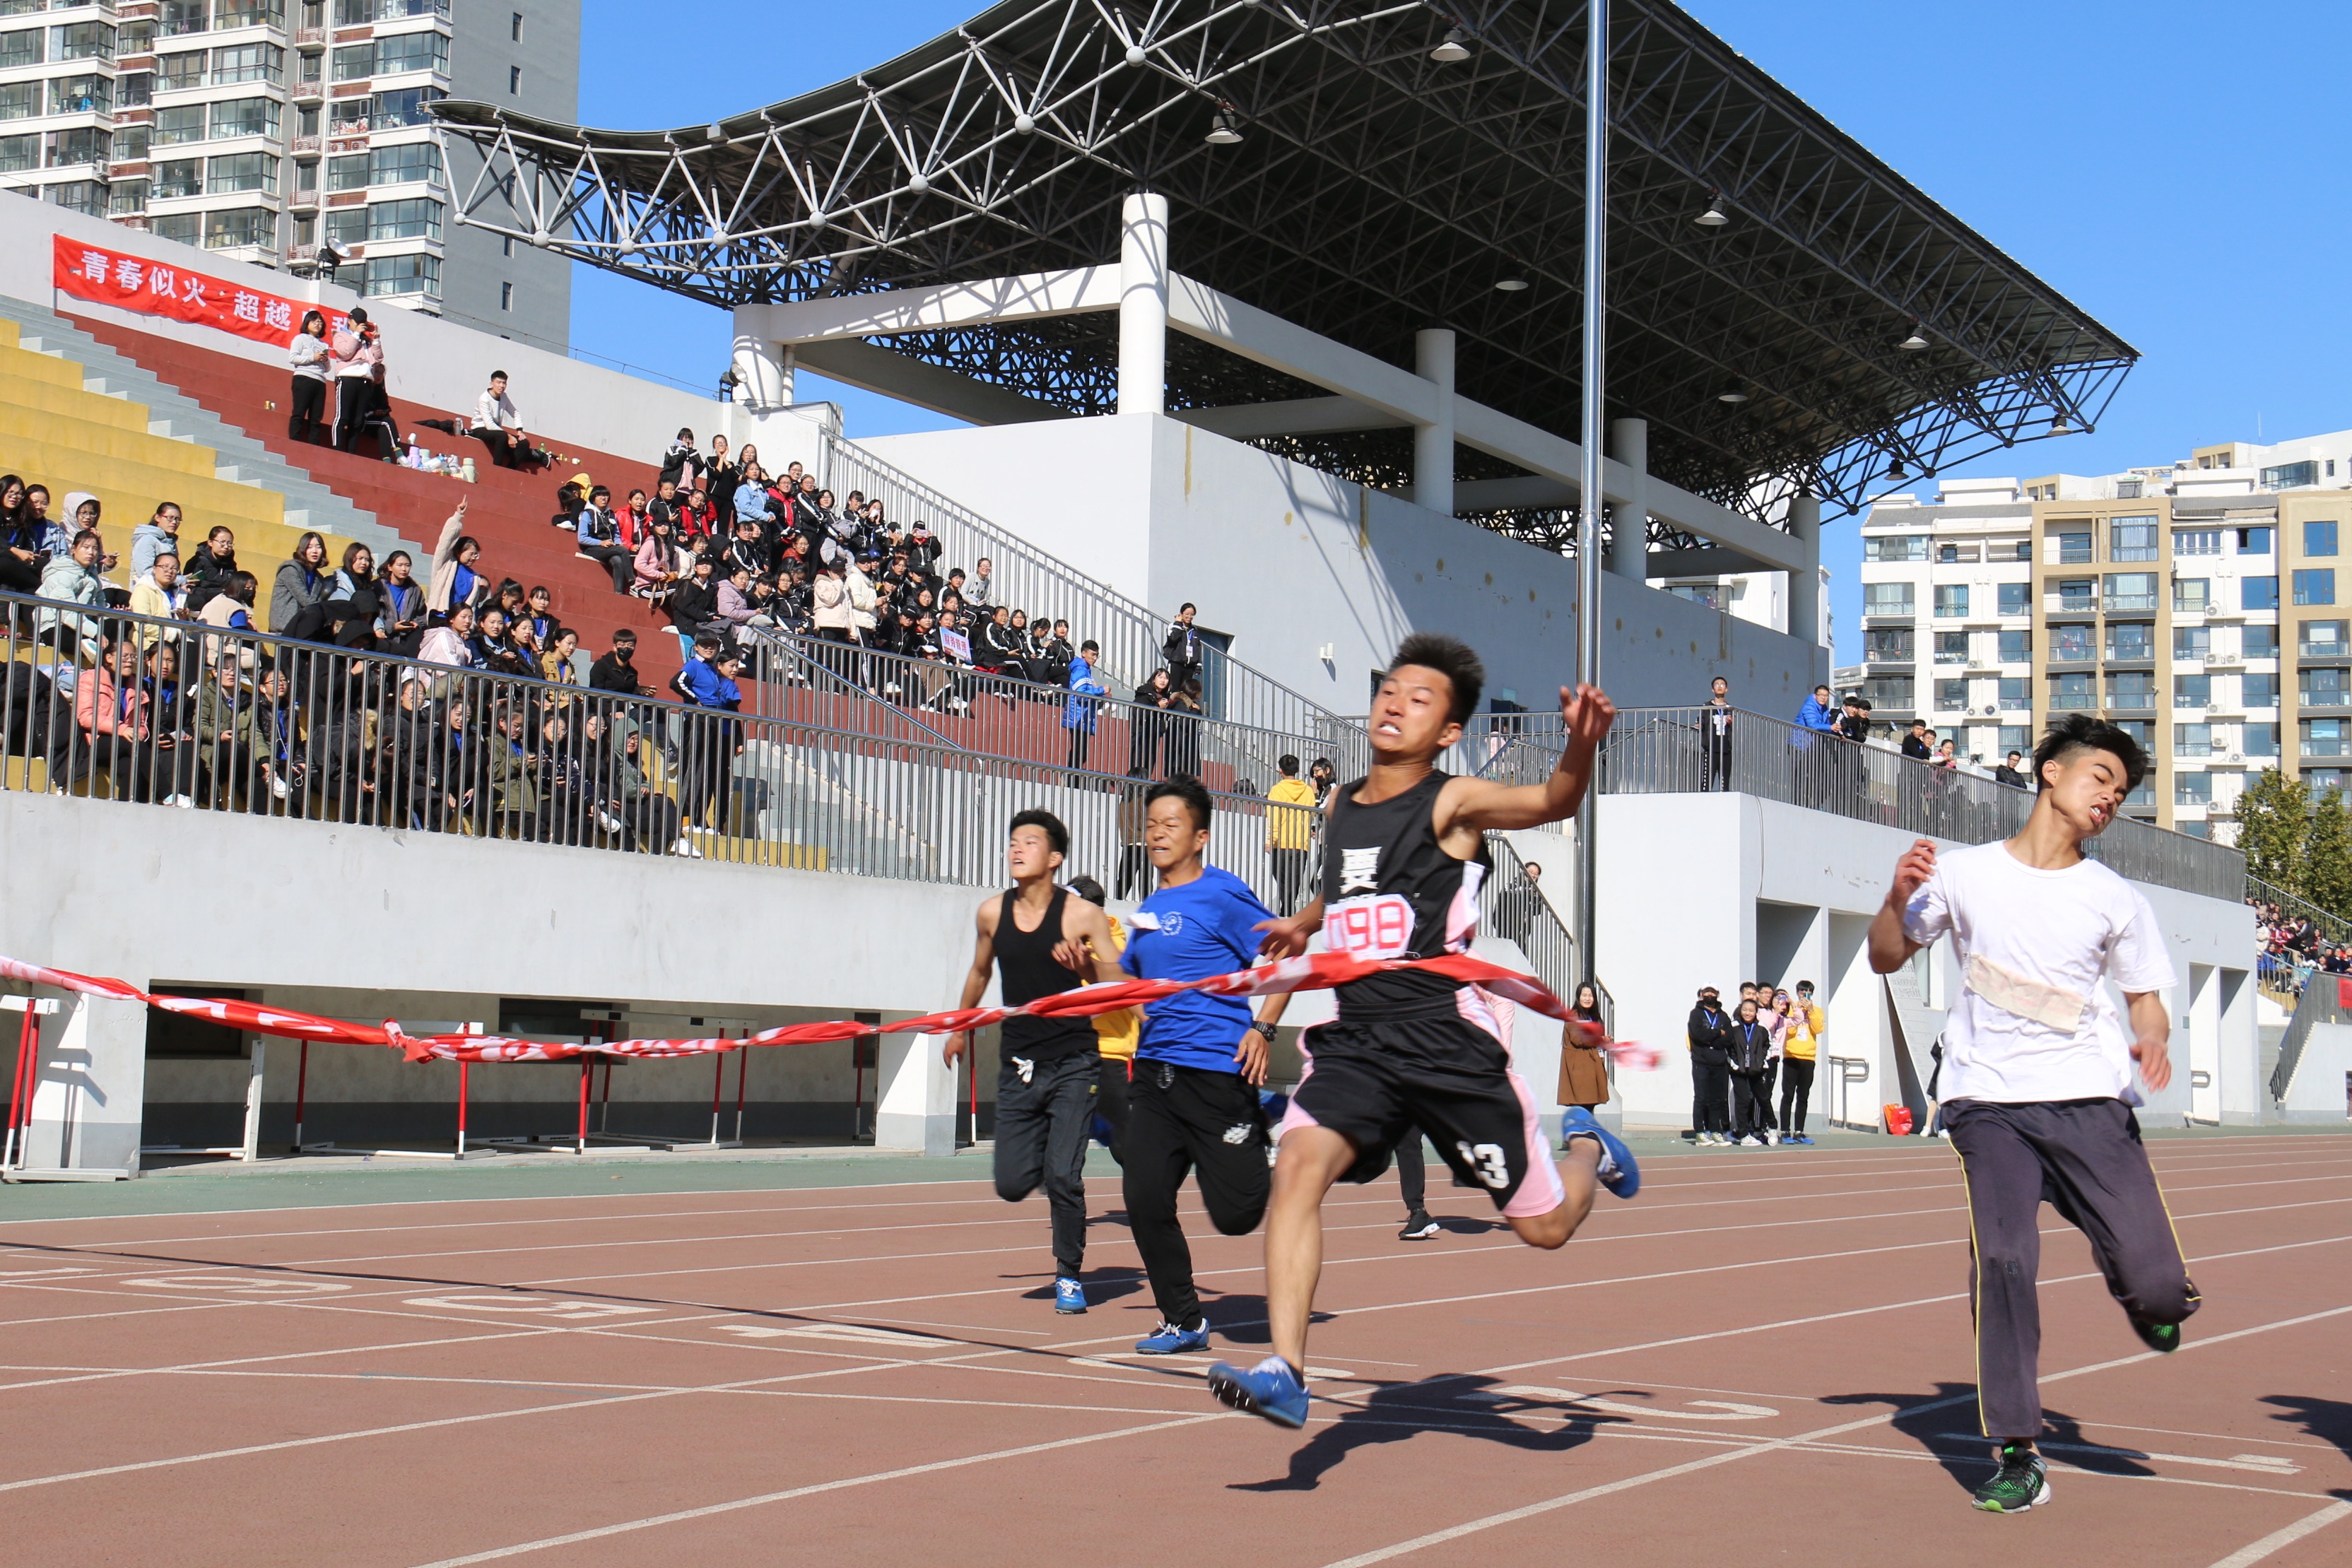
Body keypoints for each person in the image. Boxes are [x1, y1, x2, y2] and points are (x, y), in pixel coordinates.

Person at [1206, 634, 1638, 1429]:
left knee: (1544, 1228)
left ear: (1448, 730)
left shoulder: (1453, 799)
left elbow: (1551, 801)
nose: (1394, 703)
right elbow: (1349, 897)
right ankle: (1287, 1368)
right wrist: (1305, 923)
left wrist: (1580, 743)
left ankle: (1589, 1148)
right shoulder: (1335, 806)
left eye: (1419, 697)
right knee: (1297, 1169)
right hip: (1360, 1038)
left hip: (1444, 1036)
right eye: (1388, 689)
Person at [1869, 712, 2195, 1514]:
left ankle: (2146, 1298)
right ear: (2051, 771)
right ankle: (2018, 1448)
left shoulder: (2112, 897)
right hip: (1989, 1104)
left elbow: (2145, 1002)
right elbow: (1885, 953)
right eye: (2100, 779)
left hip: (2088, 1102)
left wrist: (2150, 1042)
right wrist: (1895, 895)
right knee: (2004, 1263)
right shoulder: (1964, 873)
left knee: (2157, 1287)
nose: (2110, 798)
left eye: (2121, 792)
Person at [1119, 777, 1294, 1355]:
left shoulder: (1222, 895)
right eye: (1150, 825)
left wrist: (1262, 1027)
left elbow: (1288, 957)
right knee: (1144, 1198)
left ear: (1201, 836)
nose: (1157, 834)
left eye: (1170, 825)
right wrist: (1085, 966)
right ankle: (1184, 1319)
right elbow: (1130, 983)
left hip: (1216, 1071)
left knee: (1239, 1213)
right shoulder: (1146, 908)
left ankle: (1271, 1116)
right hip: (1156, 1074)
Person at [941, 810, 1122, 1314]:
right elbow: (980, 973)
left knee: (1063, 1175)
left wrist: (1085, 966)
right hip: (1019, 1061)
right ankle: (1050, 1142)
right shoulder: (991, 913)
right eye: (1013, 842)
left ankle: (1069, 1273)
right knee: (1013, 1183)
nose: (1017, 849)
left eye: (1030, 842)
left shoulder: (1081, 915)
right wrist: (959, 1027)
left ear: (1055, 857)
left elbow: (1118, 985)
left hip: (1074, 1059)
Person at [1265, 754, 1317, 914]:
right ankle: (1287, 910)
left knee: (1281, 879)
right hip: (1301, 845)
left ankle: (1286, 911)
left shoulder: (1277, 790)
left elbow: (1273, 817)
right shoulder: (1308, 792)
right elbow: (1312, 815)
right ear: (1298, 770)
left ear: (1280, 770)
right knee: (1293, 882)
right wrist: (1314, 795)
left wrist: (1270, 840)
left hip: (1280, 843)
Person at [1558, 979, 1611, 1126]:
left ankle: (1583, 1137)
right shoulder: (1574, 1016)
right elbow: (1578, 1039)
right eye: (1584, 995)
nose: (1587, 998)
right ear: (1578, 997)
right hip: (1579, 1070)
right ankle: (1576, 1138)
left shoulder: (1593, 1017)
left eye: (1590, 995)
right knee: (1580, 1106)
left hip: (1591, 1067)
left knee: (1589, 1106)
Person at [329, 307, 380, 454]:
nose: (360, 325)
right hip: (347, 378)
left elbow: (378, 358)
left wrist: (376, 341)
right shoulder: (340, 335)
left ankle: (351, 451)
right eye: (357, 322)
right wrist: (356, 334)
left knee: (358, 421)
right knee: (342, 416)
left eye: (363, 323)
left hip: (365, 381)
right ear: (350, 321)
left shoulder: (367, 341)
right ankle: (337, 449)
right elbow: (346, 352)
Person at [1724, 996, 1775, 1146]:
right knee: (1742, 1101)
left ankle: (1772, 1127)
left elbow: (1769, 1045)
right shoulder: (1732, 1027)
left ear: (1756, 1012)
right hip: (1737, 1070)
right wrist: (1733, 1063)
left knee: (1763, 1098)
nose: (1748, 1013)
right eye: (1745, 1010)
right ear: (1740, 1010)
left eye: (1751, 1010)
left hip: (1756, 1070)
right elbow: (1725, 1046)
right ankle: (1744, 1134)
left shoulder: (1762, 1028)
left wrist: (1763, 1062)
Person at [1686, 984, 1731, 1145]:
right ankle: (1700, 1132)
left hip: (1719, 1063)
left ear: (1718, 994)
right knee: (1701, 1097)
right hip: (1701, 1062)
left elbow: (1728, 1039)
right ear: (1701, 995)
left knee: (1717, 1099)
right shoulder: (1696, 1014)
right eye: (1707, 992)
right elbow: (1698, 1035)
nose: (1710, 995)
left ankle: (1715, 1131)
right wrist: (1718, 1033)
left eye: (1713, 992)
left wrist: (1712, 1039)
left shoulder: (1724, 1016)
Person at [1780, 980, 1823, 1144]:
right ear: (1797, 993)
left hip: (1808, 1058)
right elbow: (1789, 1029)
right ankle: (1785, 1131)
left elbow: (1818, 1029)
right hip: (1791, 1056)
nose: (1805, 994)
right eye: (1802, 991)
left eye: (1808, 991)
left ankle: (1800, 1131)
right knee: (1788, 1094)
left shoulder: (1817, 1011)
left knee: (1803, 1096)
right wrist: (1798, 1011)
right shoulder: (1791, 1009)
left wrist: (1811, 1011)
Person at [1062, 639, 1107, 773]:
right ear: (1083, 653)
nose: (1095, 658)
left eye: (1096, 655)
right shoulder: (1081, 669)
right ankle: (1072, 781)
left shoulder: (1084, 669)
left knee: (1080, 752)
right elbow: (1080, 693)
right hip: (1078, 716)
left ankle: (1072, 779)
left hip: (1081, 716)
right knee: (1079, 752)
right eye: (1092, 654)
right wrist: (1101, 690)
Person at [288, 310, 332, 444]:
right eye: (314, 321)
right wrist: (313, 357)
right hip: (303, 378)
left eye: (320, 322)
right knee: (299, 413)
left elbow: (328, 368)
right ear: (307, 323)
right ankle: (294, 441)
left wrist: (324, 360)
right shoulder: (300, 338)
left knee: (316, 418)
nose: (317, 324)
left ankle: (313, 445)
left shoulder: (324, 345)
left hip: (320, 381)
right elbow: (293, 358)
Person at [1700, 674, 1733, 790]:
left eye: (1722, 684)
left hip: (1726, 748)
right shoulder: (1707, 706)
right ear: (1713, 689)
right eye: (1717, 685)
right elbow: (1702, 721)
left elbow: (1734, 728)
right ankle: (1704, 801)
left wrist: (1732, 723)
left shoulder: (1729, 708)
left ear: (1726, 689)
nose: (1720, 686)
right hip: (1711, 747)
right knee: (1707, 780)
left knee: (1725, 782)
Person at [1164, 602, 1203, 691]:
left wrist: (1198, 664)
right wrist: (1178, 624)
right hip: (1177, 662)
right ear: (1181, 614)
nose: (1189, 617)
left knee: (1185, 691)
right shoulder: (1173, 626)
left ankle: (1182, 705)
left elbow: (1198, 647)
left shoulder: (1194, 630)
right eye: (1187, 614)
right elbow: (1173, 639)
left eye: (1192, 615)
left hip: (1189, 666)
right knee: (1174, 689)